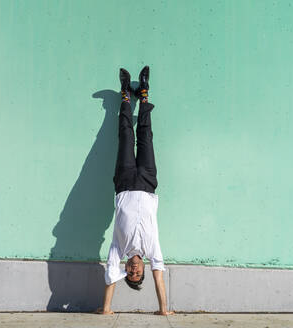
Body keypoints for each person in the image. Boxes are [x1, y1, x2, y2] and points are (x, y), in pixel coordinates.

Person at [96, 66, 173, 315]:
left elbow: (110, 275)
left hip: (125, 183)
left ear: (125, 269)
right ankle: (144, 93)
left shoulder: (118, 248)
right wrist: (164, 309)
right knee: (146, 137)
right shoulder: (153, 250)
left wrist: (106, 309)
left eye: (129, 273)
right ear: (142, 271)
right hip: (148, 183)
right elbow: (159, 277)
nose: (134, 271)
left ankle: (126, 95)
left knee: (126, 136)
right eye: (137, 274)